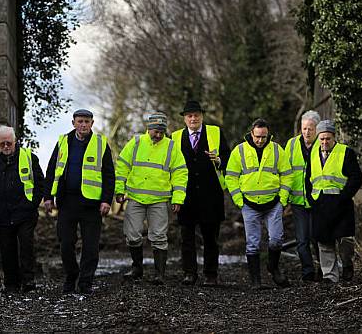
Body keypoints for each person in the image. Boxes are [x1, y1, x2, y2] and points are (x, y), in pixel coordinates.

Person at [43, 108, 115, 295]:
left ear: (92, 123)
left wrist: (106, 200)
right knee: (66, 243)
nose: (83, 125)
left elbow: (109, 174)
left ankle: (85, 282)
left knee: (91, 246)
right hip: (67, 202)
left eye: (87, 121)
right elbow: (52, 170)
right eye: (80, 121)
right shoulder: (63, 142)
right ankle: (71, 275)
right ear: (73, 123)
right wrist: (48, 197)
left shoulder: (100, 143)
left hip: (92, 204)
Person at [116, 111, 188, 284]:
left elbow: (180, 173)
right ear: (148, 128)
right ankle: (137, 269)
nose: (158, 134)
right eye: (156, 131)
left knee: (159, 236)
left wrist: (178, 198)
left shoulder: (171, 147)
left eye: (162, 132)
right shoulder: (136, 142)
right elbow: (122, 166)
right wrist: (119, 190)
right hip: (135, 197)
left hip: (159, 200)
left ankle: (159, 274)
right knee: (132, 235)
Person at [0, 125, 44, 292]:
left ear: (15, 142)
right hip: (2, 213)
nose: (6, 146)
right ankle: (11, 283)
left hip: (25, 212)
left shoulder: (28, 157)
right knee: (7, 249)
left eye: (9, 143)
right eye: (2, 143)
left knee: (26, 246)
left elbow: (41, 183)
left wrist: (32, 203)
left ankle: (28, 281)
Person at [171, 99, 230, 286]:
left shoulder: (216, 132)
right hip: (185, 195)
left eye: (196, 115)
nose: (193, 118)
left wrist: (219, 159)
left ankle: (211, 274)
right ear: (184, 119)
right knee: (186, 238)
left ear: (202, 116)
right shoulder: (174, 137)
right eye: (189, 115)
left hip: (211, 193)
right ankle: (189, 273)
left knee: (211, 237)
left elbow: (229, 159)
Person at [226, 118, 290, 288]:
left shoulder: (277, 150)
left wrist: (282, 199)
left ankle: (273, 267)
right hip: (249, 204)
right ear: (251, 134)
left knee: (276, 239)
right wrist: (239, 200)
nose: (261, 140)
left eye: (264, 137)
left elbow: (287, 174)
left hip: (273, 203)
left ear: (268, 135)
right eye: (257, 137)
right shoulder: (239, 151)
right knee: (252, 243)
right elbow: (230, 177)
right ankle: (256, 281)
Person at [309, 119, 362, 284]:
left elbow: (356, 177)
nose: (324, 142)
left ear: (334, 137)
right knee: (324, 242)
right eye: (322, 138)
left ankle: (347, 265)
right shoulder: (313, 153)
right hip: (320, 203)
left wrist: (343, 197)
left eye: (328, 139)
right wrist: (310, 198)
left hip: (341, 203)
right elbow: (307, 178)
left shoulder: (345, 152)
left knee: (345, 240)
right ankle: (329, 276)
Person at [283, 110, 321, 282]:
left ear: (317, 130)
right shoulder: (291, 145)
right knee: (301, 240)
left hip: (318, 201)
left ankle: (323, 269)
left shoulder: (323, 144)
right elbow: (284, 170)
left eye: (310, 129)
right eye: (304, 128)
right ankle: (308, 272)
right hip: (298, 201)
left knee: (318, 238)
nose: (306, 132)